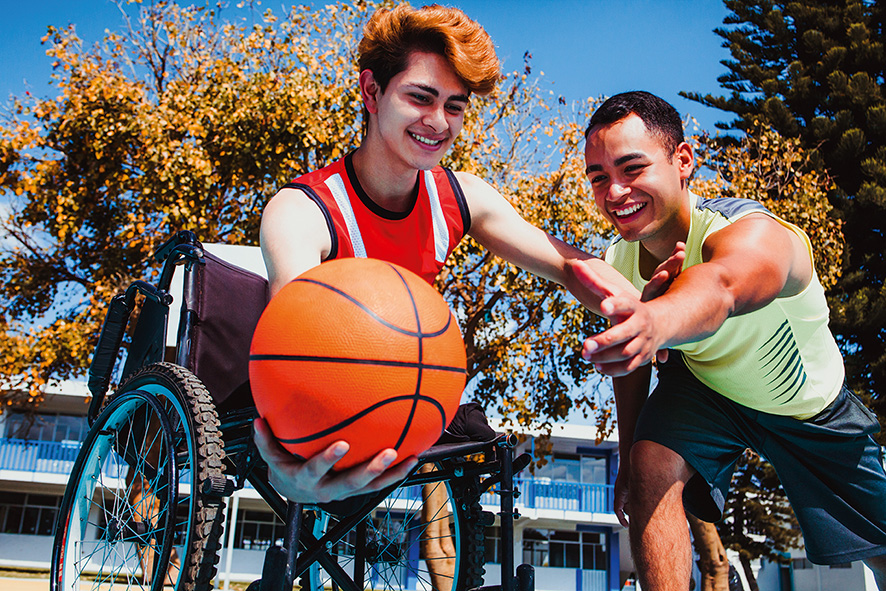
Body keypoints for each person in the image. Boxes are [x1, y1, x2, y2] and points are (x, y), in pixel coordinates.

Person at [253, 7, 680, 506]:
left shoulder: (459, 196)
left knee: (475, 463)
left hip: (411, 394)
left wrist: (644, 312)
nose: (439, 123)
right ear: (372, 92)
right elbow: (295, 357)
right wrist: (289, 474)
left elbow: (567, 264)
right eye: (421, 97)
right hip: (338, 401)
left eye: (454, 106)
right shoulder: (302, 212)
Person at [575, 90, 886, 590]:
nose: (614, 192)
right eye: (598, 178)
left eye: (631, 169)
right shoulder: (619, 263)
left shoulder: (751, 231)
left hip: (809, 409)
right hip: (708, 390)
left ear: (682, 161)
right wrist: (628, 454)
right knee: (651, 463)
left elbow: (721, 286)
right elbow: (631, 363)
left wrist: (657, 316)